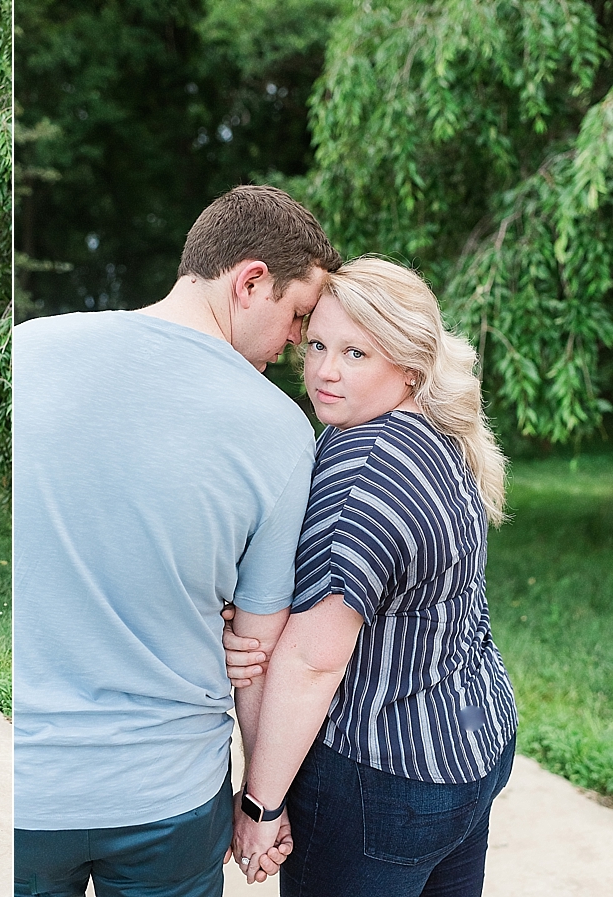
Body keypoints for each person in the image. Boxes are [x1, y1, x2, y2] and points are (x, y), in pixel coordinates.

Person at [13, 184, 342, 897]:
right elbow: (255, 655)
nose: (295, 342)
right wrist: (262, 803)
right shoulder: (281, 429)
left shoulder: (28, 351)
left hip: (27, 790)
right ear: (250, 280)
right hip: (167, 797)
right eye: (296, 316)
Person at [228, 257, 517, 896]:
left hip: (382, 777)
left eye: (356, 353)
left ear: (409, 364)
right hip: (473, 749)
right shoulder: (434, 434)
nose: (325, 372)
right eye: (318, 347)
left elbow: (313, 662)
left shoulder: (365, 467)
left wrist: (261, 806)